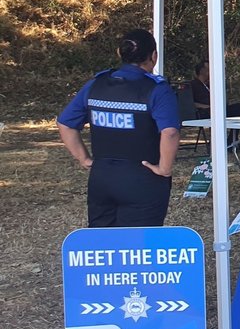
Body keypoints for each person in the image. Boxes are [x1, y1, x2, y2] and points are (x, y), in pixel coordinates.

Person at [57, 28, 180, 227]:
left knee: (101, 245)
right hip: (143, 178)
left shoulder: (95, 85)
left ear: (119, 53)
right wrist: (164, 168)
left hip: (102, 177)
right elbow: (170, 132)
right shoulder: (157, 89)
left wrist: (85, 159)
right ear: (154, 56)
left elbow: (65, 123)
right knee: (138, 247)